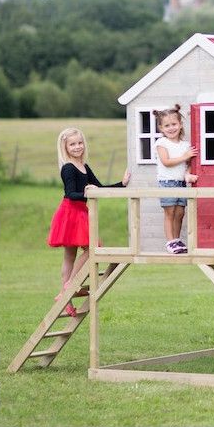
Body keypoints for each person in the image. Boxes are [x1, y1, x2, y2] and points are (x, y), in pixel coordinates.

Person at [47, 127, 130, 316]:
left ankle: (64, 298)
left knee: (72, 254)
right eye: (73, 144)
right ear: (65, 147)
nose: (77, 147)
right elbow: (70, 193)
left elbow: (99, 188)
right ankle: (70, 284)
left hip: (80, 213)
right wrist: (87, 192)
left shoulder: (84, 166)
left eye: (80, 143)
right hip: (70, 212)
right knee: (90, 249)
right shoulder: (68, 167)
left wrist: (121, 184)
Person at [153, 105, 199, 254]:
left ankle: (177, 240)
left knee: (180, 213)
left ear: (180, 124)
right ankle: (170, 241)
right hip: (167, 183)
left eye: (174, 124)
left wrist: (188, 175)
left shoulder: (185, 145)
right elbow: (166, 161)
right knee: (170, 213)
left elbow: (188, 165)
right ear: (161, 128)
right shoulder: (161, 143)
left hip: (181, 183)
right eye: (167, 125)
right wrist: (185, 156)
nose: (171, 128)